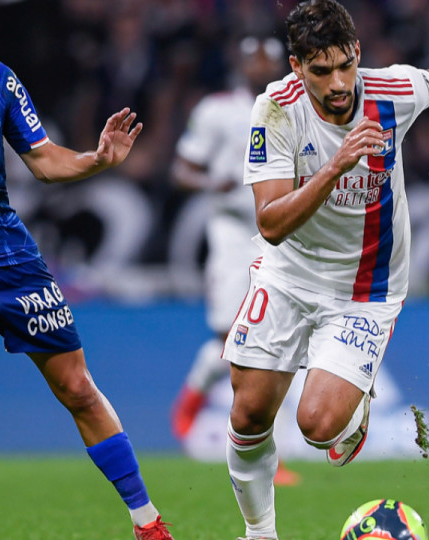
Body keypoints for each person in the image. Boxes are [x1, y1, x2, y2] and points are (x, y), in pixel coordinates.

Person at [221, 1, 429, 538]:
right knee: (248, 416)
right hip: (288, 273)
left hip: (367, 288)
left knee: (317, 427)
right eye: (321, 71)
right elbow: (270, 223)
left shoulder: (394, 92)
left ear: (358, 52)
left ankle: (352, 413)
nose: (338, 83)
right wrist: (336, 166)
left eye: (345, 65)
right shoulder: (275, 109)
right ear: (297, 66)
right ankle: (260, 534)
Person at [0, 1, 172, 539]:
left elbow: (44, 158)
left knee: (77, 387)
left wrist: (96, 160)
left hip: (8, 254)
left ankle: (148, 524)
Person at [169, 34, 299, 487]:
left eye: (267, 59)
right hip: (230, 233)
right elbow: (182, 168)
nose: (259, 66)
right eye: (252, 59)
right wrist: (210, 183)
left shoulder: (296, 107)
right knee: (230, 338)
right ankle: (192, 397)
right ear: (239, 63)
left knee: (275, 343)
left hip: (280, 235)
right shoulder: (217, 110)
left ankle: (272, 457)